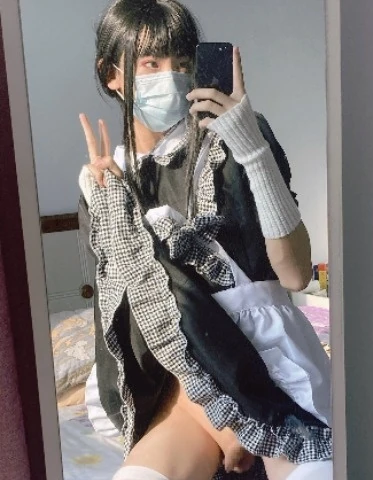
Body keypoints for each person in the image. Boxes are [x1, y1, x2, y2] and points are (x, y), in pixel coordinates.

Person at [77, 1, 333, 479]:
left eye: (182, 62)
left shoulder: (235, 139)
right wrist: (219, 417)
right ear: (112, 75)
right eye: (151, 63)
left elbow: (297, 275)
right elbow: (135, 316)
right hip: (184, 388)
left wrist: (252, 149)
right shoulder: (103, 182)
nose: (171, 77)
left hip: (269, 363)